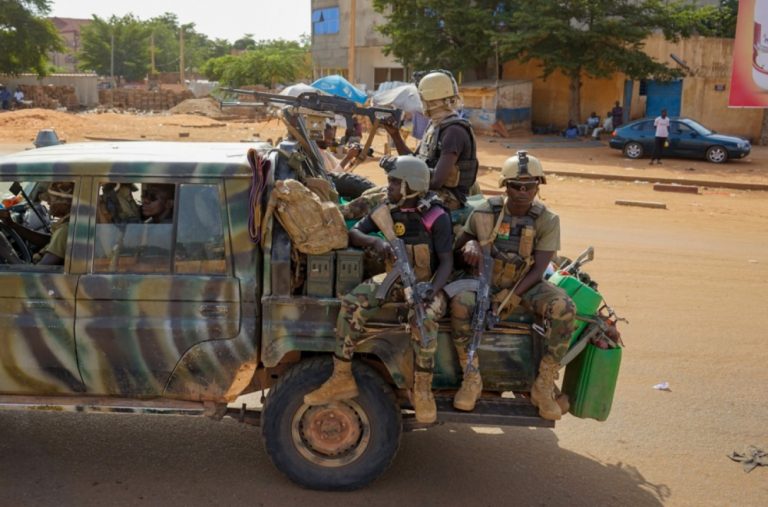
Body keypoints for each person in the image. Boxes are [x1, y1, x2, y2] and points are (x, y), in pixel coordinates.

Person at [304, 155, 454, 424]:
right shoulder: (387, 208)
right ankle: (342, 375)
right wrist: (376, 244)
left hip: (427, 284)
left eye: (395, 183)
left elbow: (446, 262)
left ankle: (422, 389)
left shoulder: (435, 217)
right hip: (392, 280)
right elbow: (355, 233)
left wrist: (432, 289)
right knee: (351, 303)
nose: (390, 187)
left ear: (411, 185)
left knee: (425, 320)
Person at [449, 152, 576, 420]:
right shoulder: (485, 212)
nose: (522, 192)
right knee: (460, 304)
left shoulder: (547, 220)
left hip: (524, 286)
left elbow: (539, 270)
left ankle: (543, 383)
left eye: (529, 186)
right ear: (504, 186)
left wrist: (509, 297)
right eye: (515, 185)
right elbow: (457, 253)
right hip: (485, 282)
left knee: (564, 307)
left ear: (538, 186)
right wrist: (469, 245)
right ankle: (471, 376)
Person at [382, 70, 479, 211]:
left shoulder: (453, 132)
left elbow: (436, 181)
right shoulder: (434, 126)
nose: (421, 104)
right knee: (378, 193)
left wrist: (405, 181)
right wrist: (395, 135)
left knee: (381, 201)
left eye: (422, 100)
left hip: (449, 197)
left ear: (431, 101)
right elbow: (413, 160)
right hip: (430, 189)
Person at [0, 181, 74, 265]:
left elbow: (40, 270)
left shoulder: (64, 230)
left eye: (51, 199)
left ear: (65, 203)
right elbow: (48, 241)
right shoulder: (69, 225)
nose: (48, 203)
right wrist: (12, 224)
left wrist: (10, 256)